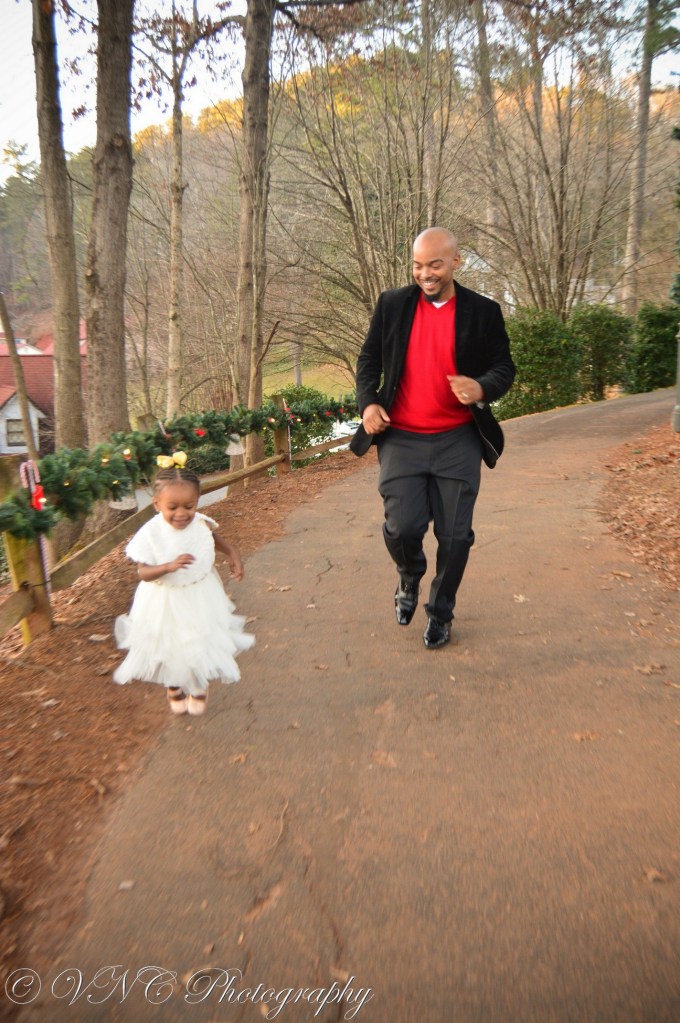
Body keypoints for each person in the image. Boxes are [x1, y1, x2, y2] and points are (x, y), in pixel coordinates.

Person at [350, 227, 515, 649]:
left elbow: (503, 367)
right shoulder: (392, 305)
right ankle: (409, 575)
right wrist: (368, 405)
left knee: (456, 537)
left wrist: (481, 387)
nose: (426, 274)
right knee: (402, 528)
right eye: (418, 265)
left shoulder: (483, 312)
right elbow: (368, 360)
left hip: (458, 439)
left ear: (456, 262)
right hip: (401, 438)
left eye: (435, 265)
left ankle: (440, 612)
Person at [113, 461, 255, 714]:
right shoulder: (151, 532)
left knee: (199, 638)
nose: (182, 513)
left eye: (189, 506)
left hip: (199, 594)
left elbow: (212, 537)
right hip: (162, 599)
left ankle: (199, 684)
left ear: (197, 502)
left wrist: (233, 553)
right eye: (172, 507)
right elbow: (143, 572)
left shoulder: (199, 522)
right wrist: (168, 566)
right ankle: (174, 685)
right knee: (170, 644)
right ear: (157, 504)